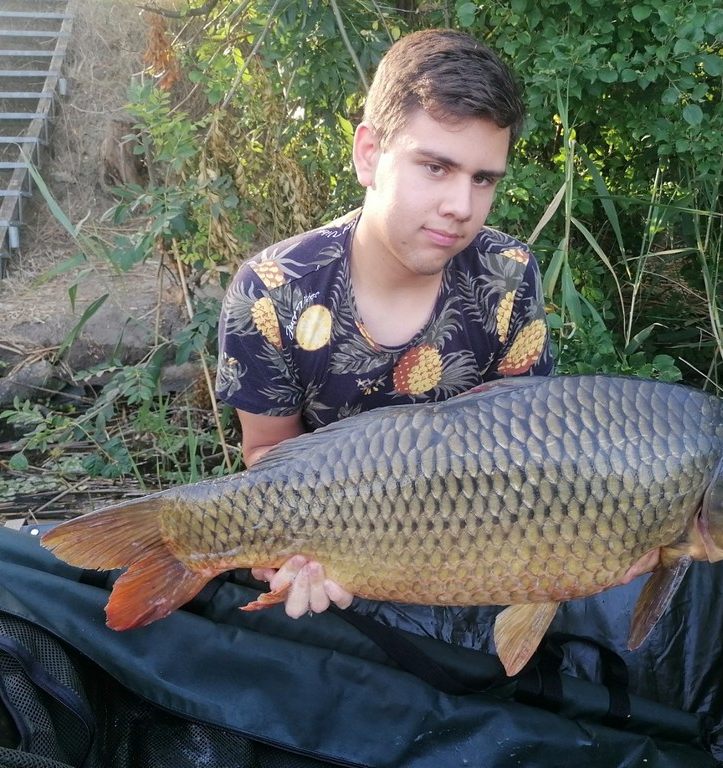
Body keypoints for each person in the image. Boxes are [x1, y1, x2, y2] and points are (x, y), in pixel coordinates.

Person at [215, 28, 554, 626]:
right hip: (339, 544)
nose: (461, 206)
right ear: (369, 153)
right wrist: (291, 552)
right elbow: (268, 453)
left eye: (483, 179)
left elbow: (530, 447)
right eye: (436, 167)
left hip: (477, 544)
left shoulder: (507, 277)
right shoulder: (272, 290)